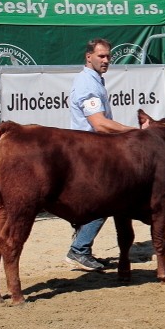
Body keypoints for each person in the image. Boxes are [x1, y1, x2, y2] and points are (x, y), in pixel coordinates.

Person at [64, 38, 138, 270]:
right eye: (101, 56)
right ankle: (78, 250)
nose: (106, 60)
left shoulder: (93, 80)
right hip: (89, 151)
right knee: (107, 199)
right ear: (88, 57)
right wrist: (134, 132)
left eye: (108, 56)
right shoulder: (88, 84)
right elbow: (99, 123)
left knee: (103, 200)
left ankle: (81, 248)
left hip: (91, 149)